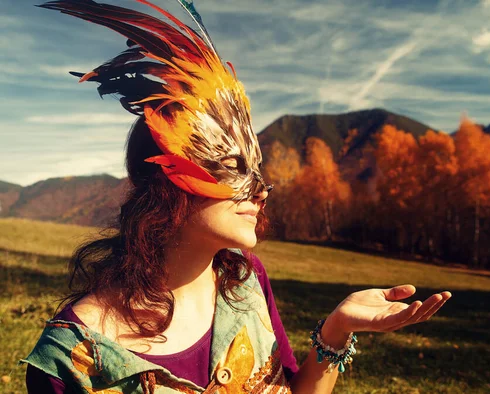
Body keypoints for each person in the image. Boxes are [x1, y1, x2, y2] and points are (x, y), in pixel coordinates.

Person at [23, 1, 452, 393]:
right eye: (233, 166)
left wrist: (336, 330)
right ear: (168, 179)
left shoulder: (245, 281)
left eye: (258, 168)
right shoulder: (69, 360)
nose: (262, 189)